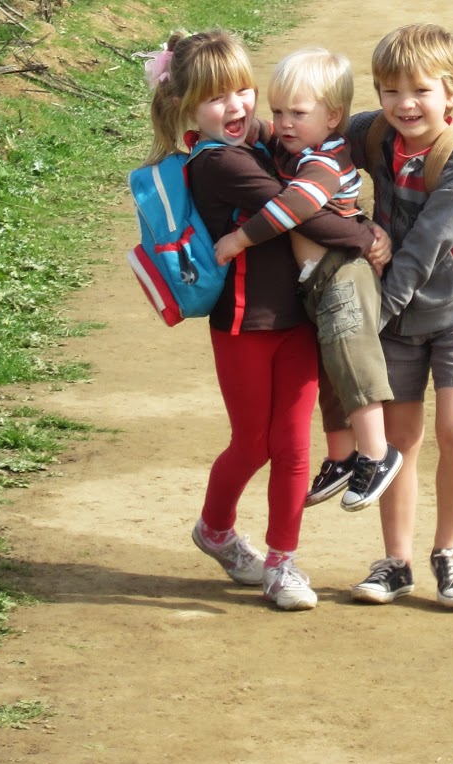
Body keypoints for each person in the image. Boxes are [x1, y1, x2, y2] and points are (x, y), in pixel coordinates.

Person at [145, 30, 384, 612]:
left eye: (242, 92)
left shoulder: (255, 139)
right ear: (186, 111)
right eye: (216, 99)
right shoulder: (221, 163)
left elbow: (327, 131)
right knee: (252, 443)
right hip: (243, 324)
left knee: (292, 446)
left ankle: (283, 562)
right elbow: (306, 214)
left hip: (296, 319)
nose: (237, 108)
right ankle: (216, 530)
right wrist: (371, 235)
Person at [211, 47, 403, 513]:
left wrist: (241, 238)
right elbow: (258, 133)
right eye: (277, 112)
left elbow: (292, 209)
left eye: (297, 113)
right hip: (317, 280)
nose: (284, 123)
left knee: (353, 361)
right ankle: (341, 457)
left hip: (344, 273)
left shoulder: (326, 158)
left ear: (333, 116)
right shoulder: (293, 146)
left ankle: (376, 452)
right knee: (331, 371)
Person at [346, 23, 453, 610]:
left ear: (452, 93)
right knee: (398, 440)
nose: (404, 104)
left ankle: (450, 551)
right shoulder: (378, 134)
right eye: (389, 90)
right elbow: (324, 128)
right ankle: (396, 561)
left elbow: (425, 248)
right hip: (401, 318)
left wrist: (373, 316)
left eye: (421, 91)